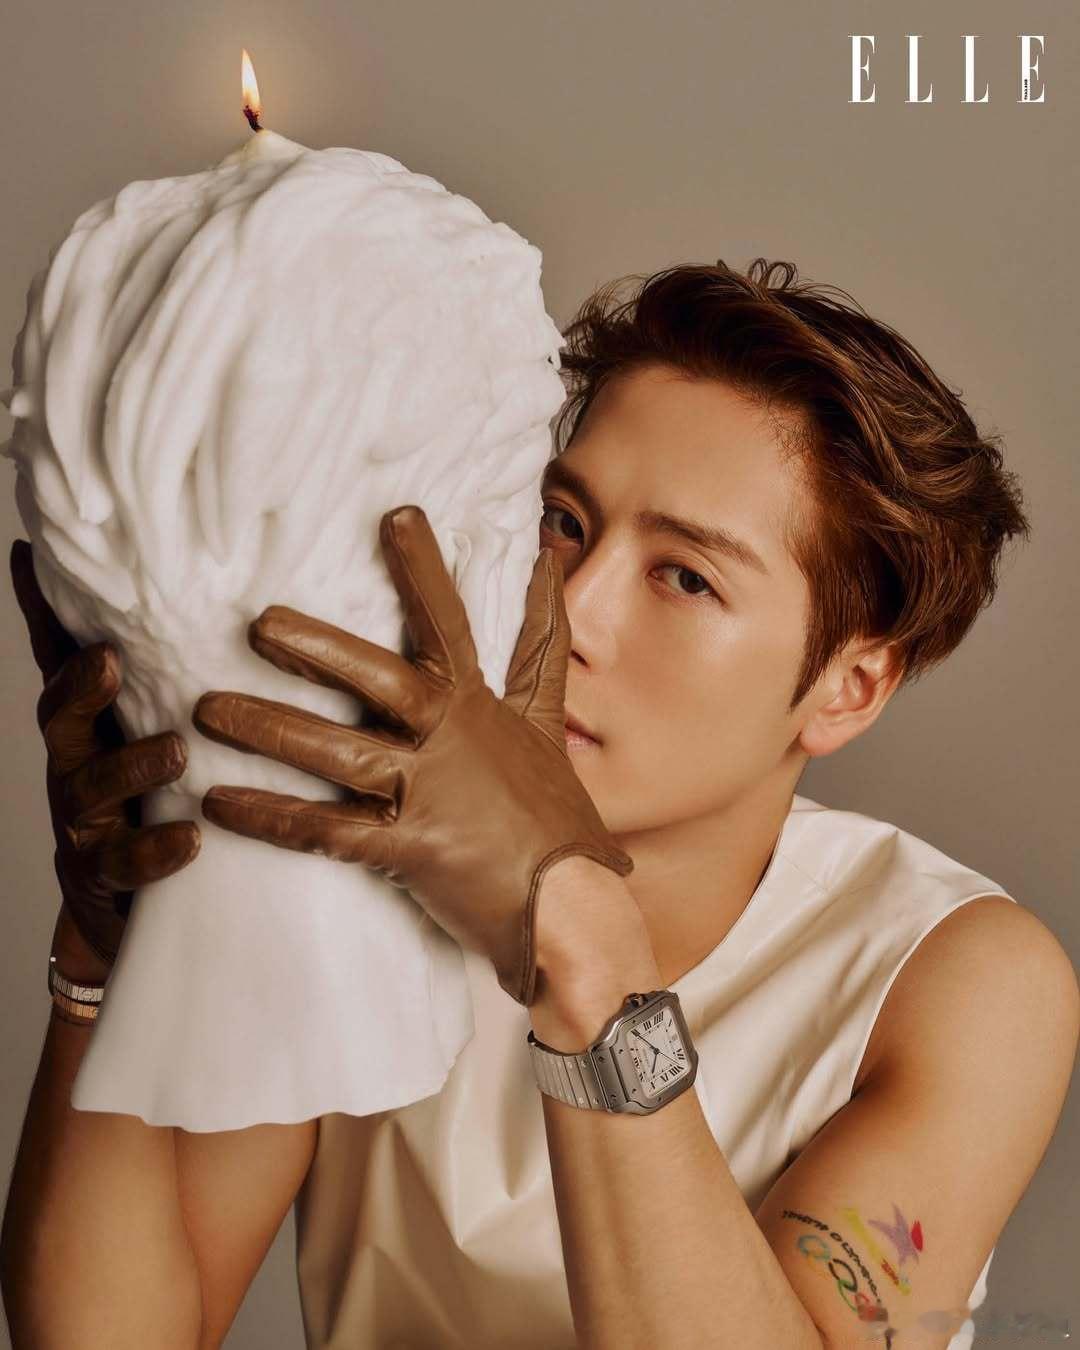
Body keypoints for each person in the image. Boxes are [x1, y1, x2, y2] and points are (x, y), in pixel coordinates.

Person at [2, 258, 1077, 1350]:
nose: (572, 607)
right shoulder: (370, 854)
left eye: (686, 576)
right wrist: (104, 966)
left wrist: (582, 944)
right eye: (563, 521)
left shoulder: (956, 976)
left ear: (848, 689)